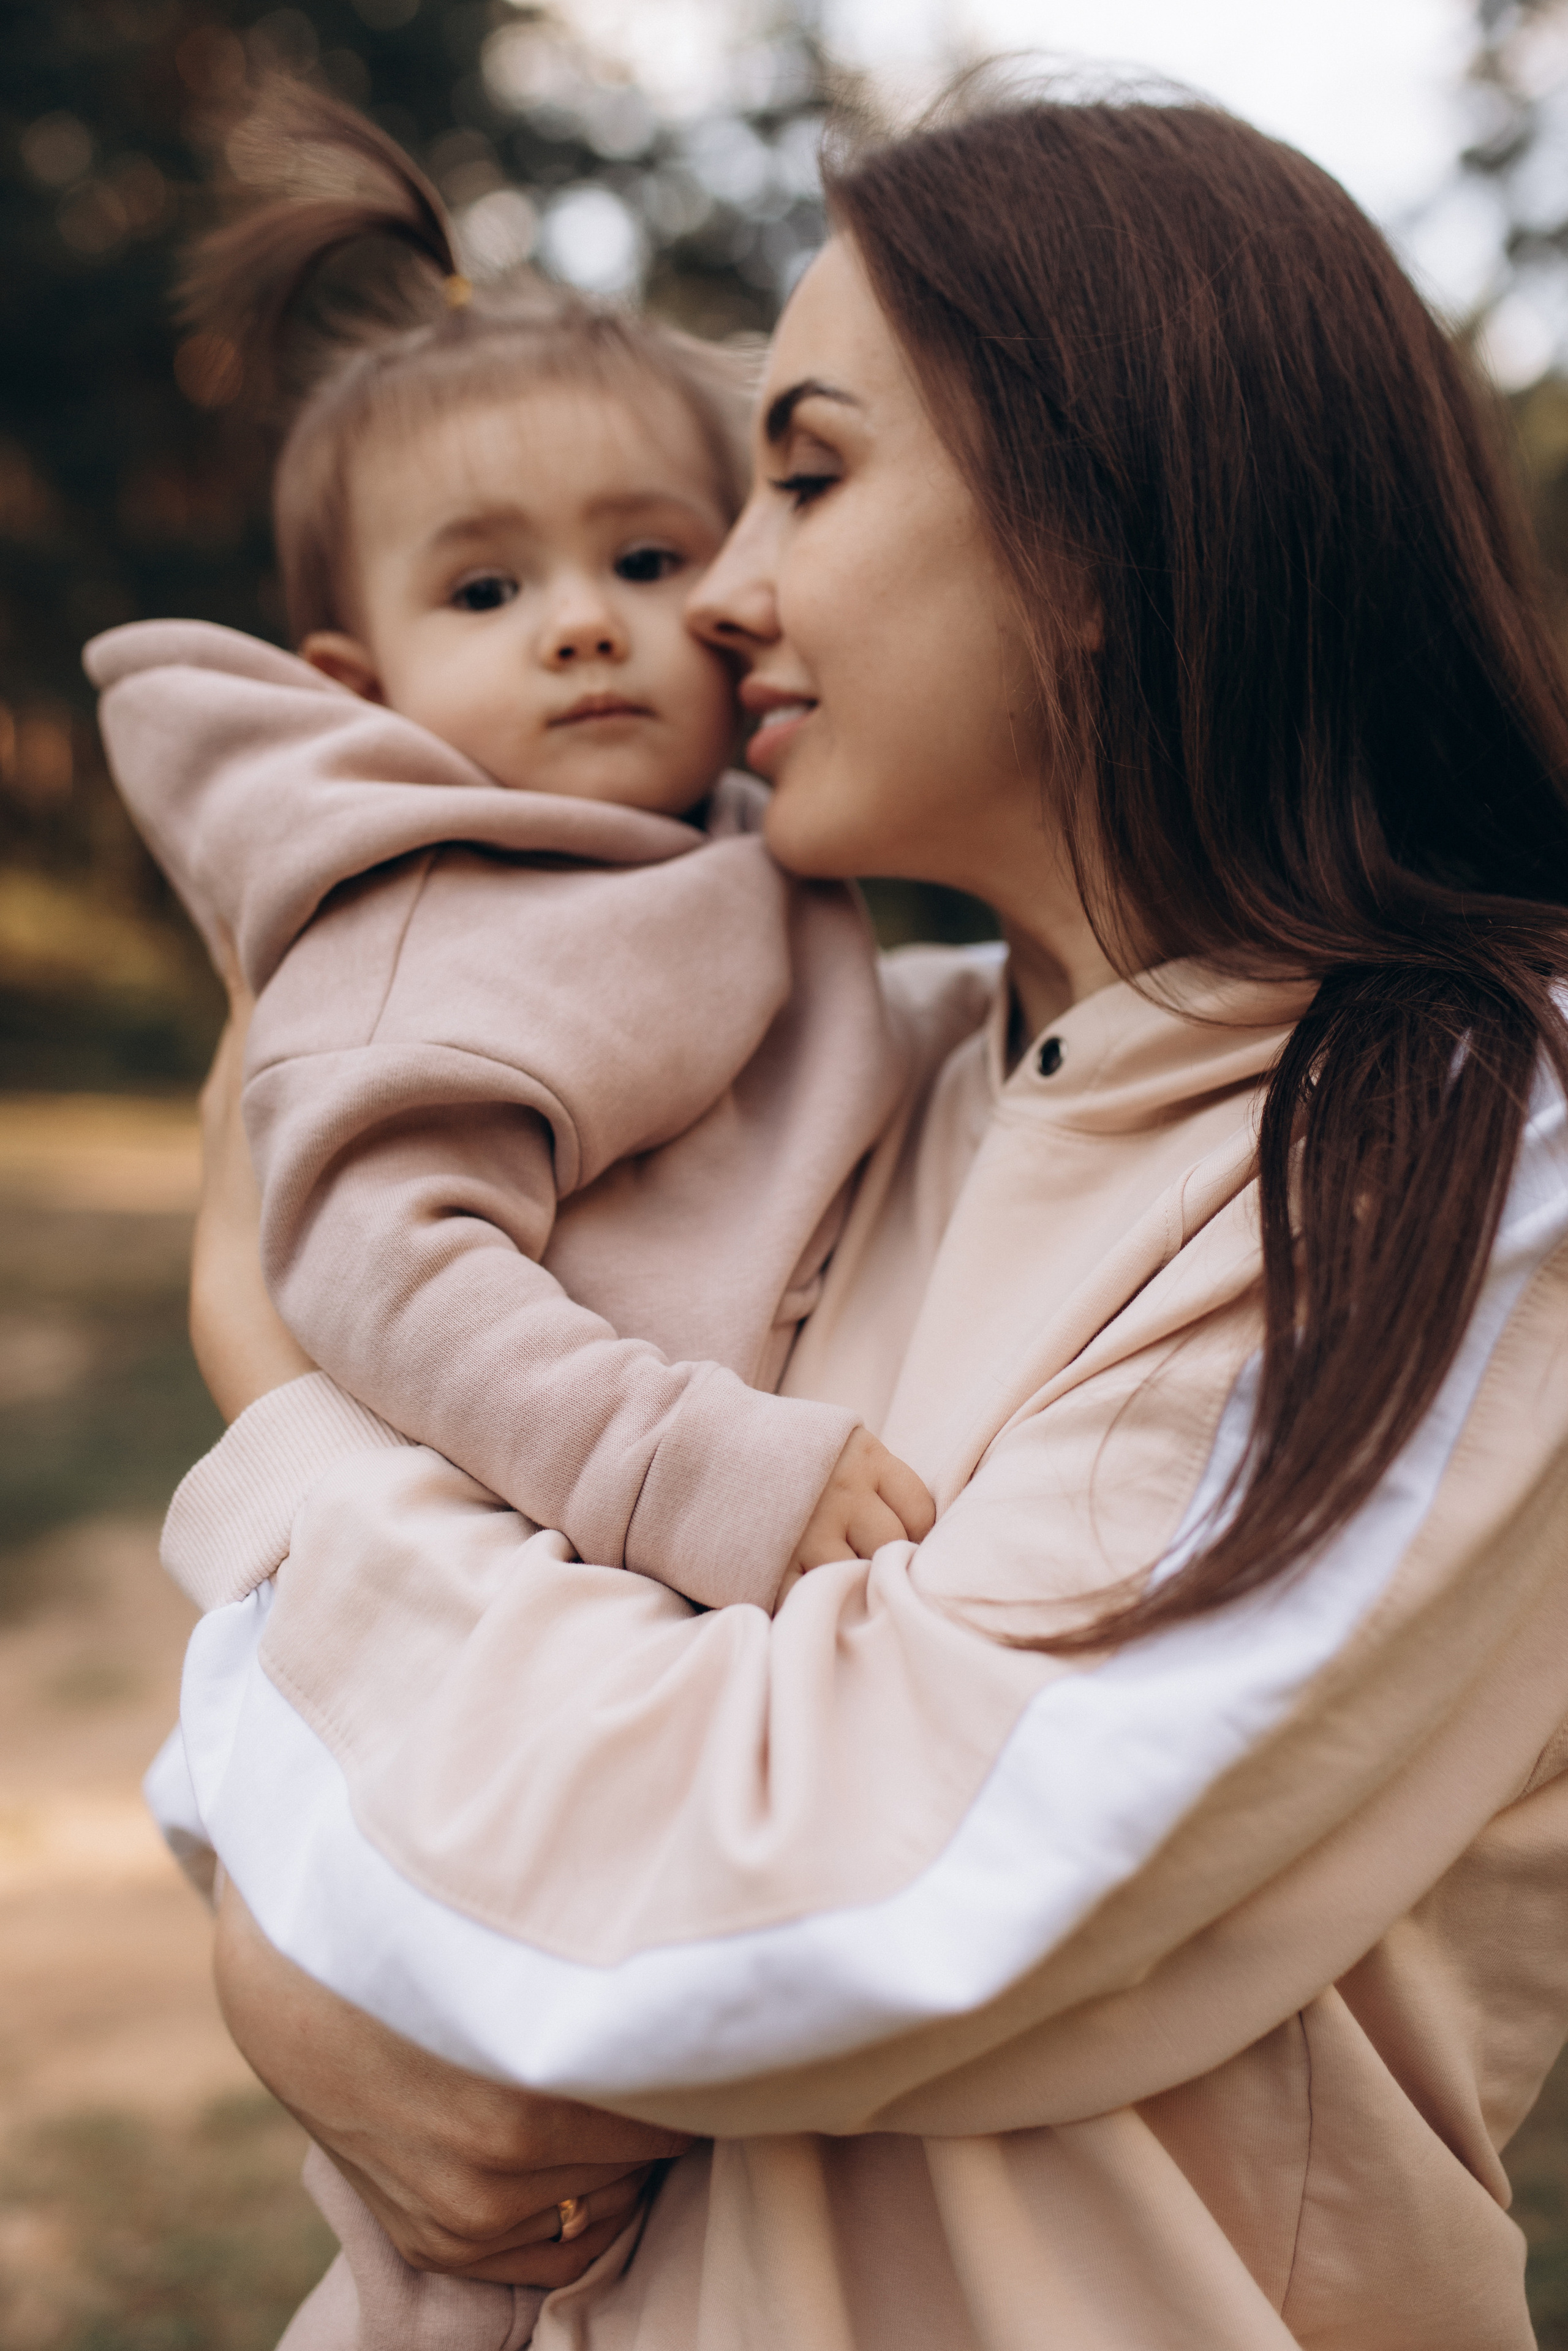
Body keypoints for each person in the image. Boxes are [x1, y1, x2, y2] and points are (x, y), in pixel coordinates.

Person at [168, 81, 1568, 2351]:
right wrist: (294, 1975)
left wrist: (289, 1401)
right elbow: (428, 1836)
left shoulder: (1463, 1147)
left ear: (1105, 524)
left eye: (803, 473)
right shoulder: (842, 1072)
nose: (719, 593)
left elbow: (825, 1872)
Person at [89, 81, 933, 1617]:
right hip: (541, 1559)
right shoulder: (435, 905)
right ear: (361, 688)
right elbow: (380, 1257)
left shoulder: (710, 848)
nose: (584, 620)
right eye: (485, 592)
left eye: (644, 557)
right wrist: (675, 1461)